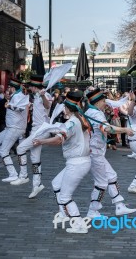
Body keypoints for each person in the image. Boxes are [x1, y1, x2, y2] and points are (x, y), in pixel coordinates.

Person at [32, 91, 91, 234]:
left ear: (69, 108)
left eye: (65, 106)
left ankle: (78, 224)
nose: (63, 109)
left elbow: (59, 140)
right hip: (79, 162)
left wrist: (41, 141)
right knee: (56, 183)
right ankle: (65, 214)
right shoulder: (81, 118)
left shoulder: (72, 122)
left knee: (65, 196)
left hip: (76, 163)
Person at [85, 88, 136, 218]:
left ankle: (119, 205)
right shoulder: (95, 114)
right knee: (101, 183)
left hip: (97, 152)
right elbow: (107, 128)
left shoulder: (93, 111)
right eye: (103, 101)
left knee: (111, 176)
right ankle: (92, 210)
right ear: (97, 102)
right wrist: (125, 129)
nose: (105, 103)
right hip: (94, 153)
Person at [11, 75, 53, 199]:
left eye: (31, 86)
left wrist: (43, 95)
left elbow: (47, 106)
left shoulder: (45, 95)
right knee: (35, 158)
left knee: (20, 149)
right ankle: (37, 184)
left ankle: (23, 176)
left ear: (35, 87)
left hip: (42, 129)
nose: (30, 88)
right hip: (35, 129)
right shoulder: (34, 95)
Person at [0, 78, 29, 183]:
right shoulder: (16, 96)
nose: (8, 89)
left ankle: (13, 174)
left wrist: (9, 105)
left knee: (4, 150)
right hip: (10, 127)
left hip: (15, 128)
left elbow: (21, 108)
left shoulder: (19, 96)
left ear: (13, 88)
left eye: (9, 87)